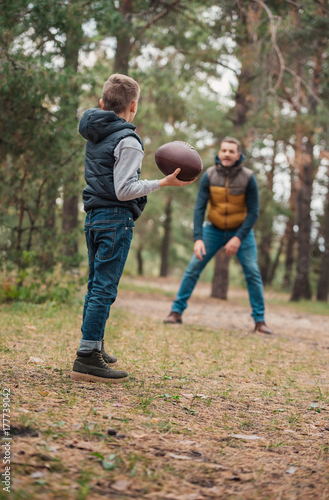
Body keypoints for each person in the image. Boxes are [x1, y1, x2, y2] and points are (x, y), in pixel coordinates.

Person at [71, 74, 195, 384]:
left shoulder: (96, 133)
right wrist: (162, 182)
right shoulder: (127, 140)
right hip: (114, 218)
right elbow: (125, 189)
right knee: (104, 288)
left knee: (96, 284)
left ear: (103, 104)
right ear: (134, 106)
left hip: (95, 215)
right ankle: (87, 356)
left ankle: (94, 344)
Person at [164, 137, 272, 335]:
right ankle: (176, 312)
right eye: (224, 150)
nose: (227, 154)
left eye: (231, 151)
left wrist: (238, 237)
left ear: (238, 155)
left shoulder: (249, 177)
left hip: (241, 232)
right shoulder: (209, 175)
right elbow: (199, 208)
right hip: (212, 230)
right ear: (219, 153)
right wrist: (198, 238)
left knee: (253, 273)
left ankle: (260, 321)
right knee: (193, 268)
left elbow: (254, 212)